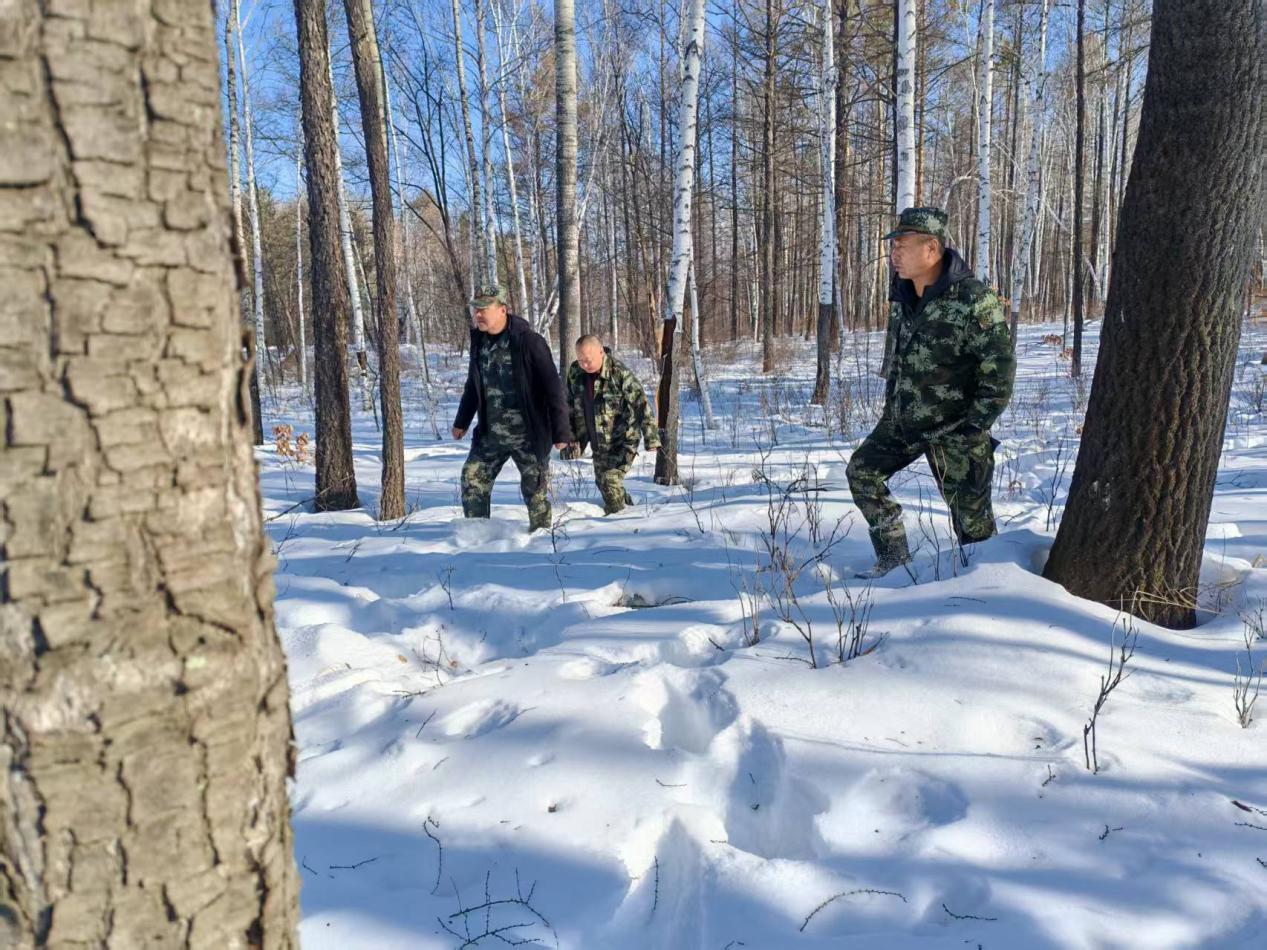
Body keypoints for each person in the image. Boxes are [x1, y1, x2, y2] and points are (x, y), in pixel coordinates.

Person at [847, 207, 1016, 577]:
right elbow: (898, 359)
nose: (894, 253)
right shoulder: (903, 294)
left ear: (932, 248)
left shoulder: (972, 298)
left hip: (955, 430)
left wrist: (975, 427)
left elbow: (1000, 367)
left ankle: (986, 593)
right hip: (905, 422)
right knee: (862, 472)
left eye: (903, 245)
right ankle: (893, 559)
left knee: (974, 531)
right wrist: (892, 409)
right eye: (894, 245)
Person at [452, 286, 571, 531]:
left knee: (534, 492)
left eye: (484, 309)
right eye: (476, 310)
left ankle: (542, 538)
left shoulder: (529, 342)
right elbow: (473, 385)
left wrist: (561, 432)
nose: (478, 315)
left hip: (529, 435)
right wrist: (461, 421)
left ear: (502, 310)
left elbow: (553, 387)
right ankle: (477, 536)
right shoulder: (479, 342)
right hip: (491, 435)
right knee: (472, 478)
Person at [561, 335, 660, 514]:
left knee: (609, 481)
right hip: (597, 440)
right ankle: (631, 511)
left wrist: (651, 438)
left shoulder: (619, 373)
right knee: (603, 483)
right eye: (580, 360)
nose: (584, 365)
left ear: (601, 352)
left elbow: (641, 405)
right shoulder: (575, 372)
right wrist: (569, 436)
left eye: (588, 360)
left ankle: (618, 522)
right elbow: (568, 405)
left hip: (622, 439)